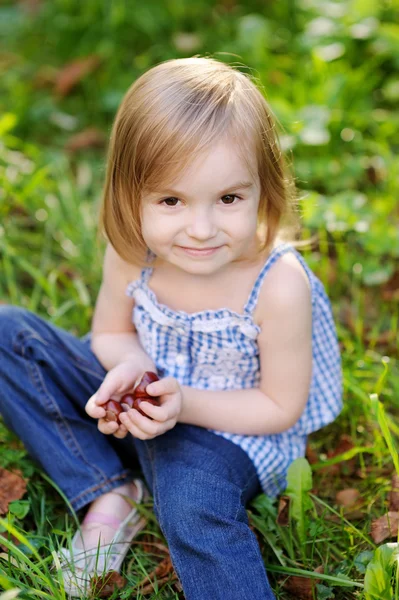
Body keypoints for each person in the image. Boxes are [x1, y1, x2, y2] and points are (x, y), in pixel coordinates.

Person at [0, 56, 343, 599]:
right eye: (171, 200)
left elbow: (280, 407)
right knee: (9, 335)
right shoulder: (133, 252)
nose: (202, 229)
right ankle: (110, 491)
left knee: (190, 503)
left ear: (264, 188)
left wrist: (181, 406)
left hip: (229, 432)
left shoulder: (277, 285)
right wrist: (134, 370)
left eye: (229, 198)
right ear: (130, 195)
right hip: (150, 397)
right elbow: (110, 334)